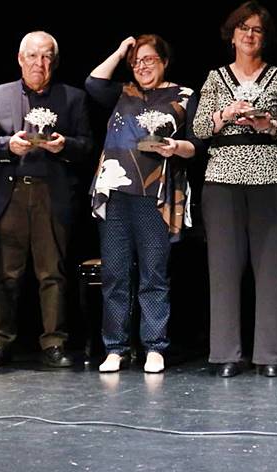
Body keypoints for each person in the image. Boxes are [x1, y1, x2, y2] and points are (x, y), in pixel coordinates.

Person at [192, 1, 277, 378]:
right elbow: (201, 129)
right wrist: (226, 115)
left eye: (257, 30)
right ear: (232, 34)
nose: (250, 35)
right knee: (223, 268)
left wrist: (269, 123)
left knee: (271, 268)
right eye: (244, 29)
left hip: (272, 177)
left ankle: (268, 354)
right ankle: (226, 353)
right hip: (223, 178)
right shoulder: (215, 78)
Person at [0, 31, 92, 369]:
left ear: (53, 61)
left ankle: (54, 342)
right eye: (33, 56)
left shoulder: (73, 98)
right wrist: (6, 145)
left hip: (50, 193)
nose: (39, 64)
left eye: (46, 57)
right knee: (5, 274)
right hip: (10, 192)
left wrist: (63, 145)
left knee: (51, 273)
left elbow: (87, 146)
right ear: (20, 58)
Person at [86, 34, 199, 374]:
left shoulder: (183, 96)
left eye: (149, 60)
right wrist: (121, 51)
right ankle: (116, 348)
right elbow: (92, 83)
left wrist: (175, 148)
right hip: (115, 191)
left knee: (154, 273)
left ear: (164, 61)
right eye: (137, 62)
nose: (142, 67)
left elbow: (197, 144)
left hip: (155, 194)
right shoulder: (123, 92)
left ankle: (154, 346)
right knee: (115, 274)